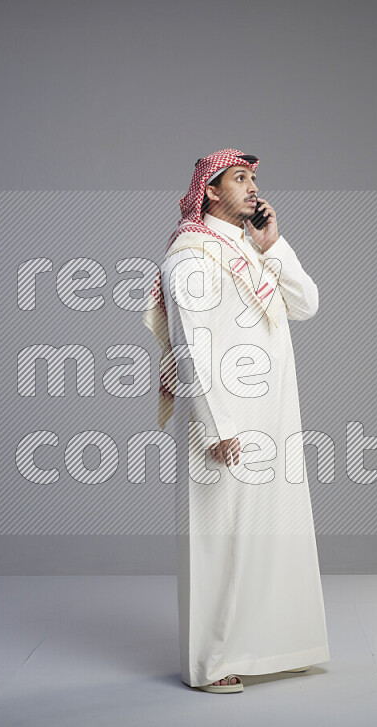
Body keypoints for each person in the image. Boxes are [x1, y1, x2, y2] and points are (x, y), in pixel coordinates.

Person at [143, 148, 330, 693]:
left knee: (272, 535)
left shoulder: (247, 251)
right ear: (209, 191)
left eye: (254, 179)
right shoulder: (191, 257)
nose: (252, 188)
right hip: (224, 422)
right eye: (239, 179)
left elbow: (307, 303)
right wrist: (216, 426)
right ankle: (211, 664)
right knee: (218, 542)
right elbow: (191, 347)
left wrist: (274, 245)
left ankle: (273, 648)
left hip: (271, 416)